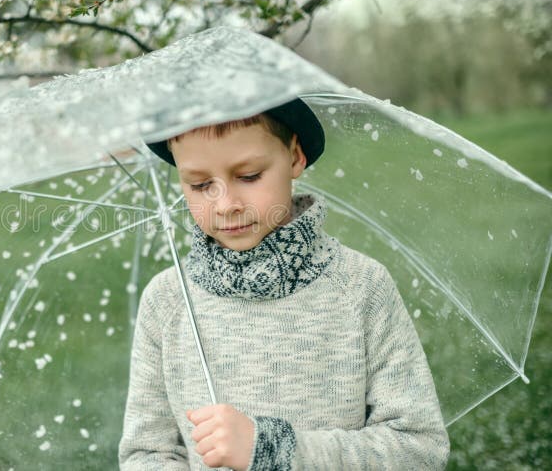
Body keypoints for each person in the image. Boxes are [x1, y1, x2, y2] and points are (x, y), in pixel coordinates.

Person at [118, 98, 449, 470]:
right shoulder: (167, 302)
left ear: (294, 156)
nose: (226, 204)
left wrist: (274, 451)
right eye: (199, 184)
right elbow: (146, 454)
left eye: (248, 176)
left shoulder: (360, 287)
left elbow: (419, 448)